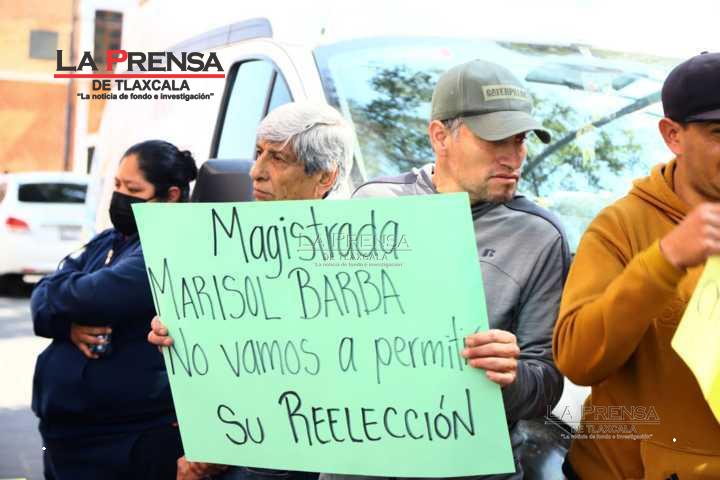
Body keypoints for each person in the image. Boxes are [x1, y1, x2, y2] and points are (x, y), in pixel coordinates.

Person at [319, 60, 569, 480]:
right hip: (361, 465)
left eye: (520, 139)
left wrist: (510, 377)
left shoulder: (540, 236)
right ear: (440, 136)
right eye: (495, 139)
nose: (513, 157)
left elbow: (546, 386)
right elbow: (315, 332)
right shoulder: (372, 204)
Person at [149, 100, 353, 480]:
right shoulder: (226, 247)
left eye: (278, 158)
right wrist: (177, 334)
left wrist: (224, 445)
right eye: (258, 154)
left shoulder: (356, 261)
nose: (256, 172)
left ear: (325, 178)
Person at [553, 52, 720, 479]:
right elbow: (577, 359)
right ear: (672, 135)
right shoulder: (619, 227)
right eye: (719, 133)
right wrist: (665, 261)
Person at [31, 140, 197, 479]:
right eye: (118, 185)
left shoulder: (165, 246)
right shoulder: (109, 240)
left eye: (133, 190)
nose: (120, 196)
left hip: (122, 441)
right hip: (70, 436)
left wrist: (57, 292)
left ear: (171, 196)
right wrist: (67, 328)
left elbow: (95, 296)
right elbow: (39, 299)